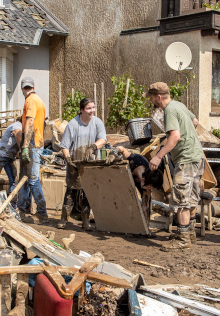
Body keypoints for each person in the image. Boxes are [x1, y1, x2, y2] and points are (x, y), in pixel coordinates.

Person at [145, 82, 205, 250]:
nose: (151, 101)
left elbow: (175, 136)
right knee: (192, 197)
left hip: (185, 159)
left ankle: (182, 240)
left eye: (151, 98)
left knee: (180, 200)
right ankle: (189, 233)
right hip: (196, 156)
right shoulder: (179, 105)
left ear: (158, 97)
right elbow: (195, 121)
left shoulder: (169, 110)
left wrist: (159, 156)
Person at [58, 98, 107, 230]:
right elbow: (65, 146)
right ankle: (63, 220)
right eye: (88, 108)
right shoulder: (73, 125)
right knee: (71, 192)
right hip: (75, 163)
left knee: (87, 193)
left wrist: (93, 147)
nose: (92, 111)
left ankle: (85, 222)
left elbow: (103, 139)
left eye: (93, 108)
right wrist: (68, 159)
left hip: (90, 163)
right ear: (81, 110)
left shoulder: (97, 122)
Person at [17, 77, 49, 224]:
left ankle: (42, 213)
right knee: (24, 176)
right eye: (26, 88)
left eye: (27, 88)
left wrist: (24, 147)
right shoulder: (39, 100)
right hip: (36, 142)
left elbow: (30, 123)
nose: (27, 90)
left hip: (31, 143)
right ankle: (22, 209)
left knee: (32, 179)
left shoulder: (30, 100)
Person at [113, 146, 164, 220]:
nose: (148, 190)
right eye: (148, 187)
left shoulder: (147, 184)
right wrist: (113, 152)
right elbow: (122, 149)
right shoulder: (136, 160)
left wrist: (146, 228)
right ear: (143, 179)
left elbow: (145, 207)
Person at [0, 116, 22, 193]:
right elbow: (19, 139)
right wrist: (23, 151)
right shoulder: (17, 126)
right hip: (0, 155)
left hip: (9, 157)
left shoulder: (20, 127)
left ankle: (13, 201)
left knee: (13, 180)